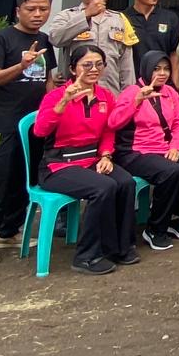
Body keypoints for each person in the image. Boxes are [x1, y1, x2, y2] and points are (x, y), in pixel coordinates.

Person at [0, 0, 60, 267]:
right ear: (18, 10)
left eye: (43, 9)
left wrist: (53, 108)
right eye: (31, 9)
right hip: (4, 124)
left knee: (25, 181)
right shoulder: (0, 40)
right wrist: (20, 66)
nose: (38, 14)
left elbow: (47, 79)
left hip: (34, 125)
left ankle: (8, 233)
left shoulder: (44, 39)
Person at [33, 44, 137, 274]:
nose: (94, 69)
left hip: (92, 160)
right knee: (103, 187)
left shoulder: (105, 96)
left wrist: (106, 155)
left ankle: (119, 247)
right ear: (73, 69)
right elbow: (40, 131)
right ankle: (86, 256)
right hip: (58, 165)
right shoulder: (56, 96)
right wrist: (63, 102)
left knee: (125, 182)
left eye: (99, 64)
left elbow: (109, 131)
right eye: (87, 65)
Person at [109, 50, 179, 250]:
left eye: (166, 69)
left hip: (165, 147)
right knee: (170, 171)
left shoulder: (170, 92)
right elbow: (114, 123)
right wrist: (137, 101)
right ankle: (155, 228)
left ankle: (175, 218)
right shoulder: (131, 92)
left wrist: (175, 146)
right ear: (145, 69)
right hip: (136, 151)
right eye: (156, 69)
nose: (162, 73)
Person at [48, 0, 137, 93]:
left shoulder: (120, 19)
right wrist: (86, 14)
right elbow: (55, 39)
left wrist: (129, 95)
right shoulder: (67, 16)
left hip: (111, 93)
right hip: (76, 93)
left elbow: (126, 64)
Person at [124, 0, 179, 87]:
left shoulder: (170, 18)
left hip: (163, 82)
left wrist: (175, 84)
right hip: (133, 83)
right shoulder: (123, 18)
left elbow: (174, 54)